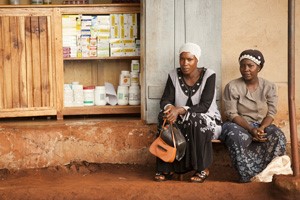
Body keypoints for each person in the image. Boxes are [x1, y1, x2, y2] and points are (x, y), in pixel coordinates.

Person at [154, 42, 222, 183]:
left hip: (207, 119)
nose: (185, 63)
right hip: (180, 119)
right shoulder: (173, 75)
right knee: (163, 117)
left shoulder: (209, 75)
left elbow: (204, 106)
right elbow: (165, 99)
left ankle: (202, 168)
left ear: (197, 60)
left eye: (189, 59)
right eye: (182, 59)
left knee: (195, 120)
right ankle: (166, 168)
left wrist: (180, 110)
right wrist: (170, 109)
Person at [220, 49, 287, 183]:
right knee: (236, 137)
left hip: (262, 125)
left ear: (259, 68)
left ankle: (268, 175)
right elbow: (232, 113)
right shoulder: (232, 86)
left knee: (278, 135)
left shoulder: (269, 86)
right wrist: (251, 129)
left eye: (250, 66)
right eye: (243, 65)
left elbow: (271, 113)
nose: (246, 69)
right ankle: (248, 178)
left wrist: (261, 128)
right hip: (237, 125)